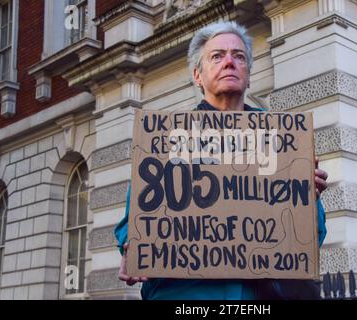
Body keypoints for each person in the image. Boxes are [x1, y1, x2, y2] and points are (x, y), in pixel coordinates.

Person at [114, 21, 329, 300]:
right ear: (198, 76)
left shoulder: (282, 143)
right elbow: (133, 220)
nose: (229, 62)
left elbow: (313, 238)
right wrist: (132, 245)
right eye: (217, 56)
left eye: (239, 57)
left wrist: (307, 196)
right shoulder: (164, 140)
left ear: (248, 75)